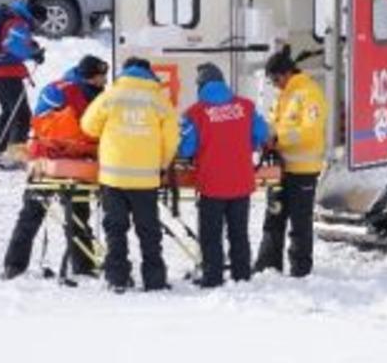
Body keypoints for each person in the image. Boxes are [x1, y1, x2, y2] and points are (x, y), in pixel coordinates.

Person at [1, 56, 109, 280]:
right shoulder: (58, 91)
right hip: (48, 160)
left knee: (78, 214)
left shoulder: (100, 94)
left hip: (78, 162)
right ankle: (14, 265)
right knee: (33, 212)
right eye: (99, 77)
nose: (102, 81)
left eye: (103, 77)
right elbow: (41, 123)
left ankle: (83, 265)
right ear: (87, 75)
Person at [81, 57, 180, 293]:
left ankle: (117, 278)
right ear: (148, 73)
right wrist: (163, 165)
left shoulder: (111, 95)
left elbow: (88, 126)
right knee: (149, 231)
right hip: (146, 179)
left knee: (115, 229)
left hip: (113, 178)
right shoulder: (159, 99)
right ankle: (154, 280)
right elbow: (172, 139)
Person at [179, 63, 269, 288]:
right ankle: (241, 276)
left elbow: (186, 149)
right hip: (241, 182)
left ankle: (213, 277)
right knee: (239, 233)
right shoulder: (246, 107)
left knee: (211, 235)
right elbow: (262, 133)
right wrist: (247, 143)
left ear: (200, 86)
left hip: (212, 184)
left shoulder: (196, 113)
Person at [254, 46, 327, 278]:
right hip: (277, 167)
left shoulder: (309, 92)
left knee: (299, 222)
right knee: (273, 215)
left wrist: (279, 138)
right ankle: (267, 266)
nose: (274, 84)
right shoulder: (282, 96)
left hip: (303, 170)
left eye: (275, 78)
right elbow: (274, 125)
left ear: (286, 73)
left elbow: (310, 130)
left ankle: (300, 269)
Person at [0, 1, 46, 169]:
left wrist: (32, 47)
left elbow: (13, 42)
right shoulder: (17, 21)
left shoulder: (10, 16)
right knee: (22, 115)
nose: (38, 26)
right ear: (34, 17)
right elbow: (15, 46)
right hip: (6, 73)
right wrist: (34, 53)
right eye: (39, 22)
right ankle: (14, 157)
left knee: (9, 112)